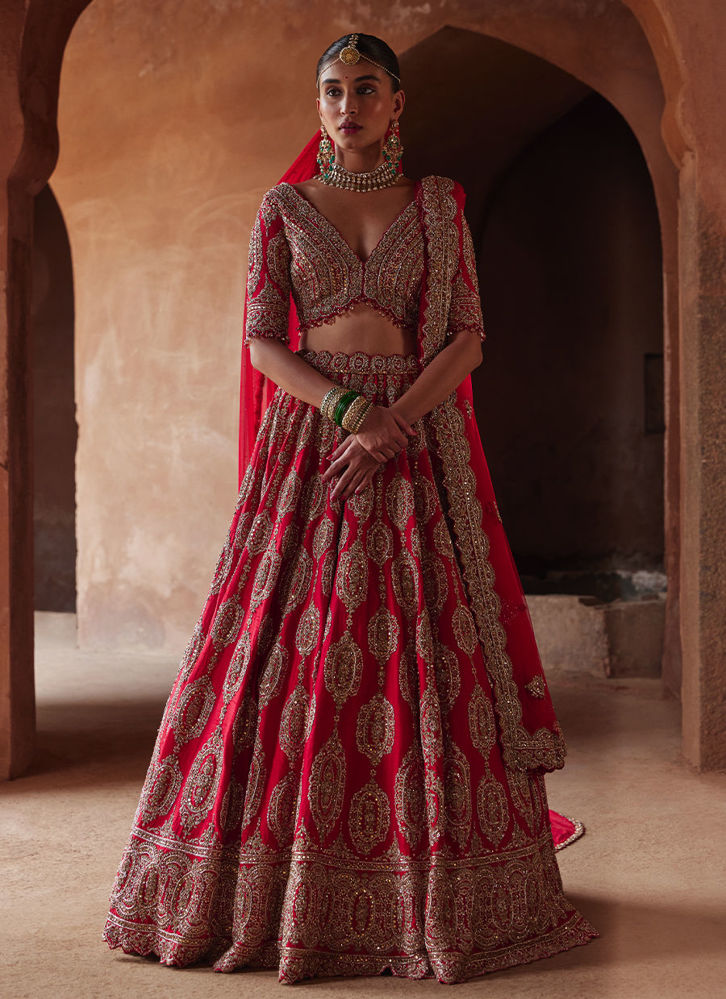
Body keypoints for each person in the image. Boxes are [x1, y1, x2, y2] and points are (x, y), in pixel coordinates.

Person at [101, 31, 598, 985]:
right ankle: (275, 890)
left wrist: (395, 421)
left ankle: (429, 889)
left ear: (396, 102)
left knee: (419, 652)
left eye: (365, 88)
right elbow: (260, 342)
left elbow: (466, 338)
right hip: (312, 448)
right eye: (331, 90)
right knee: (290, 657)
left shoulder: (440, 205)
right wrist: (345, 409)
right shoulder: (283, 208)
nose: (346, 105)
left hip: (409, 451)